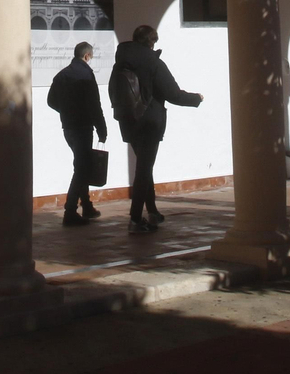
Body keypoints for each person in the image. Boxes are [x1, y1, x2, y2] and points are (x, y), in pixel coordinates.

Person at [110, 24, 202, 233]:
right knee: (143, 169)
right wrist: (196, 98)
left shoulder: (120, 62)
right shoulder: (153, 63)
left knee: (144, 167)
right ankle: (135, 219)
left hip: (128, 120)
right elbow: (173, 94)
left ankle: (152, 211)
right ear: (151, 41)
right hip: (149, 122)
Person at [48, 40, 108, 226]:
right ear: (87, 56)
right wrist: (102, 128)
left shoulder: (62, 75)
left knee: (81, 165)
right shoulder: (86, 75)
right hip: (83, 127)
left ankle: (87, 206)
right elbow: (94, 105)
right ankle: (70, 211)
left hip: (68, 127)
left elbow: (51, 101)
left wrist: (66, 112)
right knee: (81, 169)